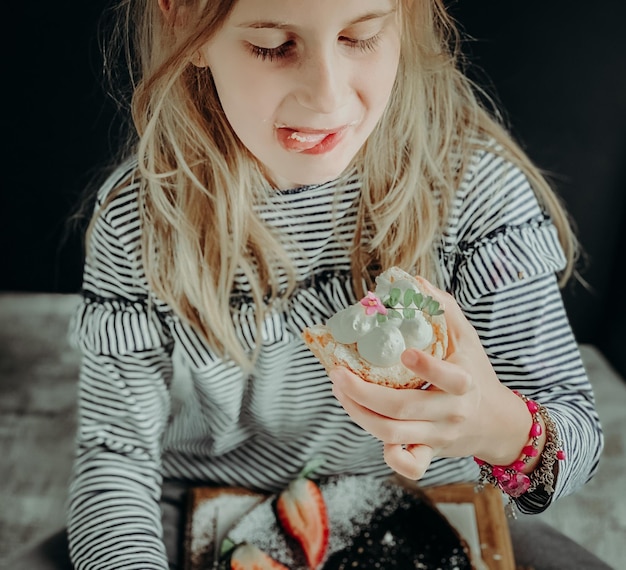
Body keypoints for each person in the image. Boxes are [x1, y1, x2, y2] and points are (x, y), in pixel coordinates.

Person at [15, 0, 608, 568]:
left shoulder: (473, 191)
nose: (327, 96)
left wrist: (497, 426)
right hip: (203, 501)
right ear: (188, 19)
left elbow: (577, 442)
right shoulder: (139, 221)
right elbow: (115, 459)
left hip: (437, 508)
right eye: (273, 46)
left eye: (360, 36)